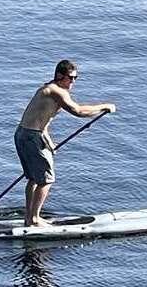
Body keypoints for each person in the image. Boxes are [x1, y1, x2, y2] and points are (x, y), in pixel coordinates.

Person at [14, 60, 116, 227]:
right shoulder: (56, 91)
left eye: (76, 78)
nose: (73, 82)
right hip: (31, 137)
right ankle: (34, 219)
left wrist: (48, 142)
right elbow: (78, 111)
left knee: (33, 178)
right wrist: (105, 107)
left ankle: (29, 218)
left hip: (24, 134)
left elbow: (42, 120)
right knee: (46, 180)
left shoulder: (48, 89)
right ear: (59, 75)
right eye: (70, 78)